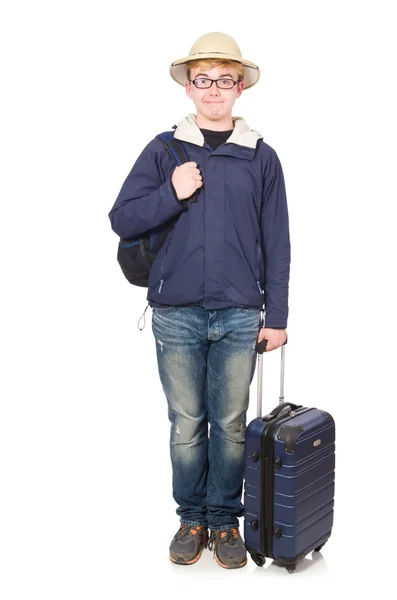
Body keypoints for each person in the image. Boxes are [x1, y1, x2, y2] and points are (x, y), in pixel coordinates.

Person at [109, 32, 290, 569]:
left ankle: (223, 521)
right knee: (187, 422)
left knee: (231, 424)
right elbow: (122, 218)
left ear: (240, 88)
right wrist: (173, 191)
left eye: (225, 80)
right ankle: (191, 517)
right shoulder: (163, 150)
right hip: (176, 313)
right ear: (189, 88)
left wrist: (275, 316)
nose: (214, 90)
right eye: (203, 80)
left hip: (239, 313)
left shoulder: (261, 156)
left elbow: (277, 241)